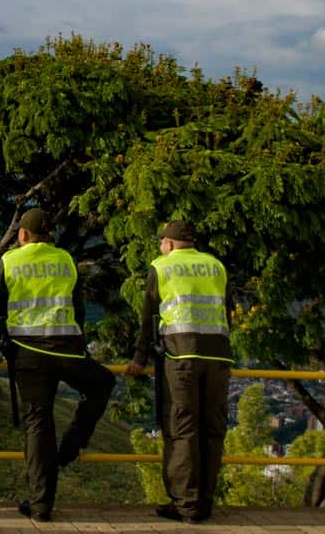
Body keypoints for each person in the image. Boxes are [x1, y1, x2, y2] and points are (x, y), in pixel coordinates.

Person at [0, 208, 115, 523]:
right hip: (68, 351)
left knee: (38, 423)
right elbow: (78, 309)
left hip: (28, 354)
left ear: (23, 235)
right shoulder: (66, 260)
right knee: (102, 384)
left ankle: (41, 505)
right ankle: (70, 447)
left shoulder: (11, 261)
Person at [124, 220, 232, 524]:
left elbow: (148, 316)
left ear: (169, 243)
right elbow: (227, 311)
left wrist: (139, 357)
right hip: (217, 356)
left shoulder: (162, 267)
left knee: (182, 429)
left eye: (162, 242)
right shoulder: (216, 266)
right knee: (212, 430)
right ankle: (206, 502)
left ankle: (186, 504)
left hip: (180, 355)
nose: (160, 247)